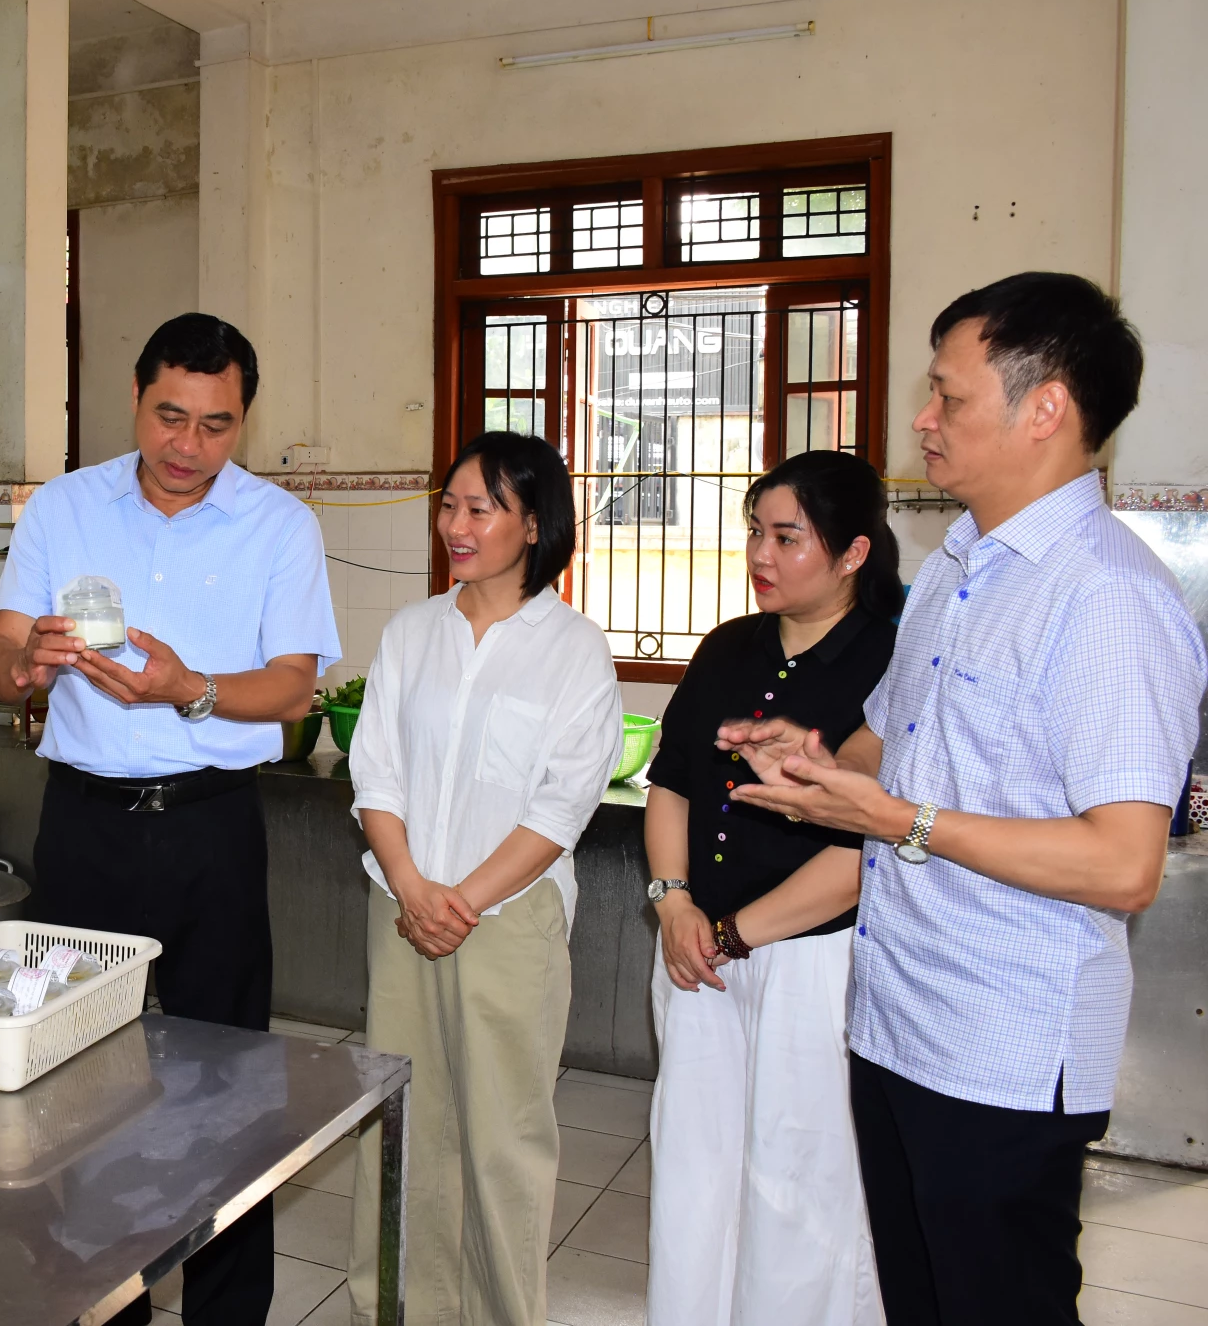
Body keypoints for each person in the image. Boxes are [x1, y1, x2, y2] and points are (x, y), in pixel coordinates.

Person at [721, 272, 1206, 1325]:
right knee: (921, 1301)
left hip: (1005, 1048)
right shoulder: (957, 565)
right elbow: (887, 738)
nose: (922, 418)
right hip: (897, 1018)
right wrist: (816, 763)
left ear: (1046, 408)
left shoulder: (1107, 598)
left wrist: (898, 822)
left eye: (948, 395)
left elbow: (1124, 863)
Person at [0, 311, 338, 1326]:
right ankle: (102, 1300)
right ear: (135, 399)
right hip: (84, 826)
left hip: (210, 829)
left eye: (216, 426)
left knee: (228, 1082)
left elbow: (294, 687)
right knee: (76, 1077)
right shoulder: (64, 508)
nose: (188, 447)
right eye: (170, 416)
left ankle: (226, 1314)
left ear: (243, 421)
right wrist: (23, 666)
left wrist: (192, 691)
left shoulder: (279, 525)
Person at [347, 431, 620, 1326]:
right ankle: (397, 1311)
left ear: (534, 524)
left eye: (480, 508)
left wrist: (461, 899)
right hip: (404, 912)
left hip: (507, 923)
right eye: (449, 503)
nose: (454, 525)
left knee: (503, 1141)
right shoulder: (410, 632)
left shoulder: (574, 648)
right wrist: (413, 885)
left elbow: (562, 801)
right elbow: (374, 770)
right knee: (404, 1130)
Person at [643, 450, 899, 1326]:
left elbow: (866, 844)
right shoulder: (727, 647)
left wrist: (735, 932)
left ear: (853, 552)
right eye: (756, 531)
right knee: (696, 1164)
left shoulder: (888, 663)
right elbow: (672, 781)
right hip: (696, 950)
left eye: (787, 537)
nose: (761, 552)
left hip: (809, 963)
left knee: (801, 1179)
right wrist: (673, 899)